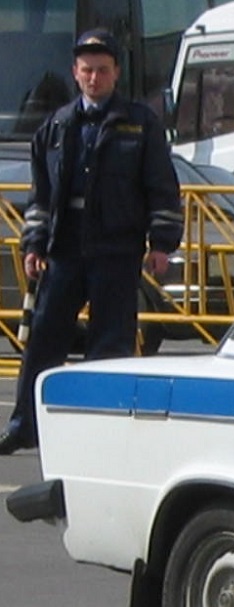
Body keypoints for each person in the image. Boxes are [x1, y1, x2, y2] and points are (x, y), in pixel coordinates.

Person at [0, 29, 183, 455]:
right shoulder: (57, 126)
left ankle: (103, 432)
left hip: (116, 250)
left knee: (110, 345)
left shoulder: (139, 124)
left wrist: (161, 244)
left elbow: (162, 187)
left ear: (116, 73)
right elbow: (40, 196)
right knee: (44, 339)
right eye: (87, 71)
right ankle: (25, 425)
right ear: (75, 74)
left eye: (103, 70)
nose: (95, 78)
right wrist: (34, 244)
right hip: (65, 249)